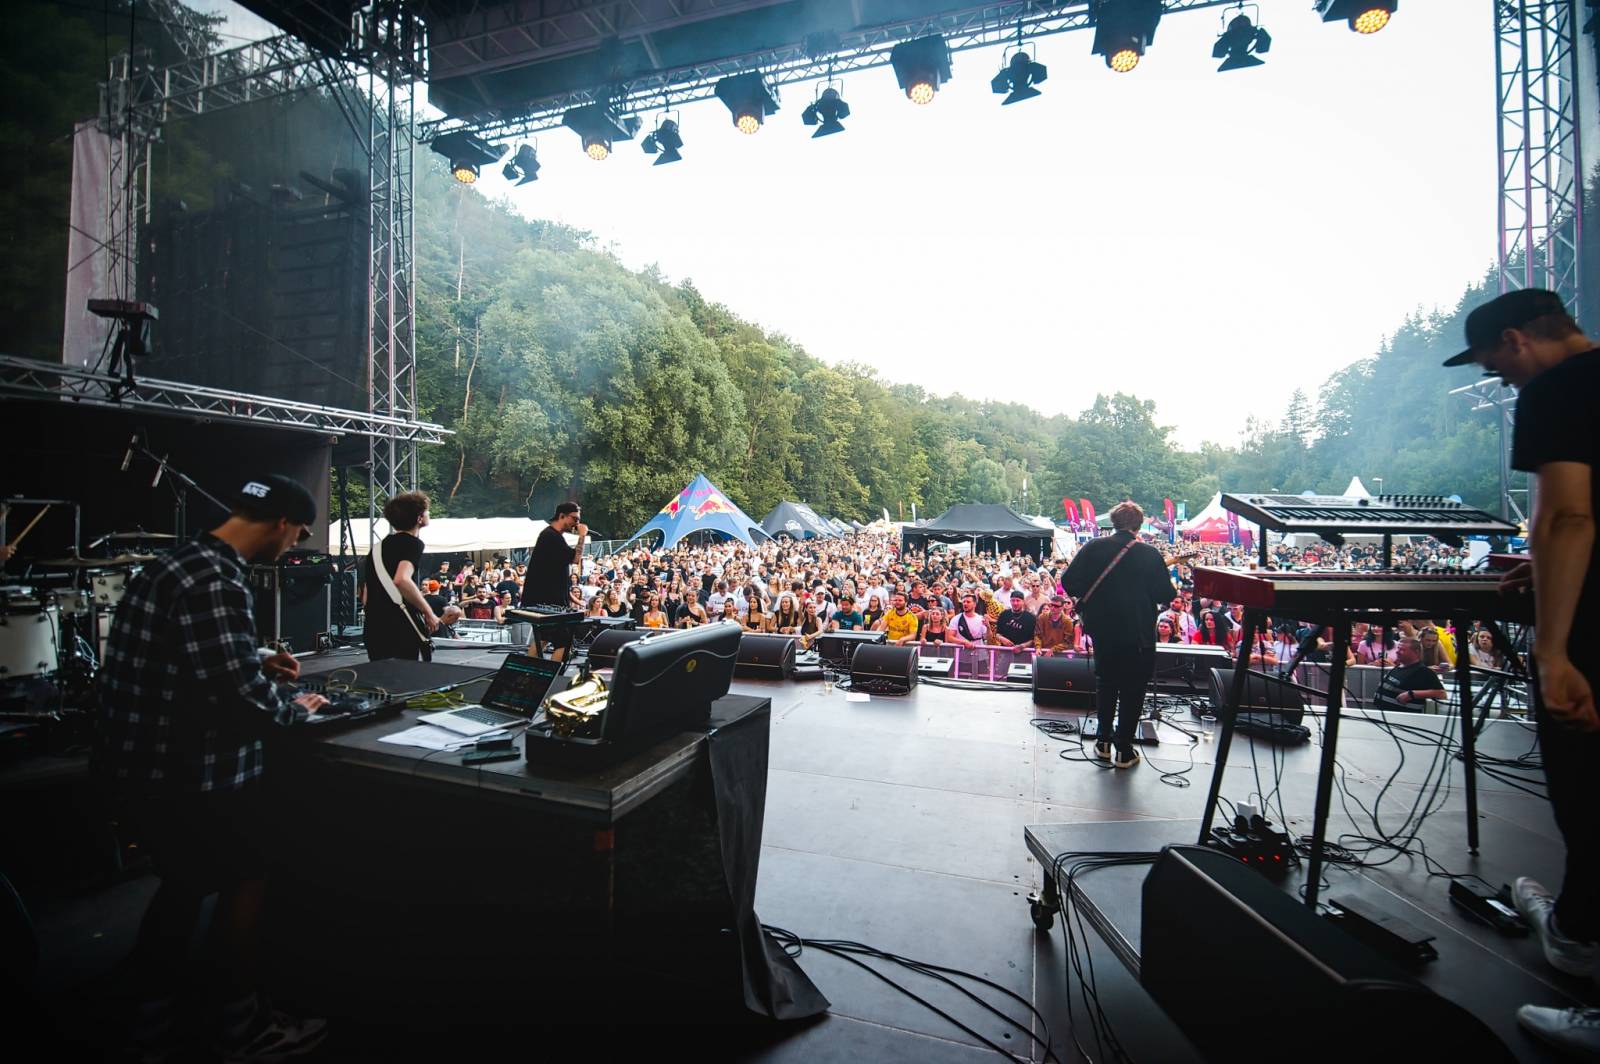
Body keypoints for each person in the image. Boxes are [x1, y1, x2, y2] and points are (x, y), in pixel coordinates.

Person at [93, 474, 330, 1060]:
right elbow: (235, 697)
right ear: (282, 524)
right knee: (245, 877)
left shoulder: (176, 562)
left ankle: (148, 1016)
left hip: (140, 763)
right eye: (298, 534)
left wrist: (254, 659)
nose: (293, 545)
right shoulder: (217, 578)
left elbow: (182, 655)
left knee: (184, 884)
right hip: (192, 770)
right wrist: (295, 708)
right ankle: (240, 1025)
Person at [1450, 288, 1600, 1053]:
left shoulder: (1557, 390)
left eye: (1498, 372)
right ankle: (1574, 923)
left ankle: (1579, 946)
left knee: (1586, 794)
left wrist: (1552, 651)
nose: (1505, 386)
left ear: (1515, 342)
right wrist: (1540, 572)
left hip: (1592, 635)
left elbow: (1567, 516)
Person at [1063, 502, 1176, 769]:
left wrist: (1094, 598)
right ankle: (1124, 749)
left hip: (1103, 630)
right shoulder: (1149, 554)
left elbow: (1068, 582)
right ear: (1138, 525)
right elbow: (1166, 595)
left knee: (1106, 682)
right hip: (1138, 633)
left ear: (1112, 522)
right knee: (1133, 689)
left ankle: (1102, 742)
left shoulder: (1093, 547)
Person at [362, 491, 439, 662]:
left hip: (373, 625)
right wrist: (428, 612)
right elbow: (401, 579)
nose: (428, 514)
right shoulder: (413, 544)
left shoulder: (377, 548)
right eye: (427, 511)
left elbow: (366, 592)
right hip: (398, 626)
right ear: (419, 518)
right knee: (404, 679)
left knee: (381, 681)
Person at [522, 502, 587, 659]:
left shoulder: (552, 536)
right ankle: (551, 677)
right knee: (563, 642)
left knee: (543, 639)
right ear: (562, 516)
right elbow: (575, 559)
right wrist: (582, 536)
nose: (577, 523)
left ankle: (531, 674)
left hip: (549, 600)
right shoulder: (551, 537)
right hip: (549, 601)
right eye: (575, 518)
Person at [1371, 637, 1448, 713]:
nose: (1397, 652)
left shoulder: (1423, 671)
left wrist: (1412, 694)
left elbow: (1441, 693)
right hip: (1384, 714)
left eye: (1402, 650)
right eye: (1398, 648)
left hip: (1402, 719)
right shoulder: (1399, 666)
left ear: (1416, 652)